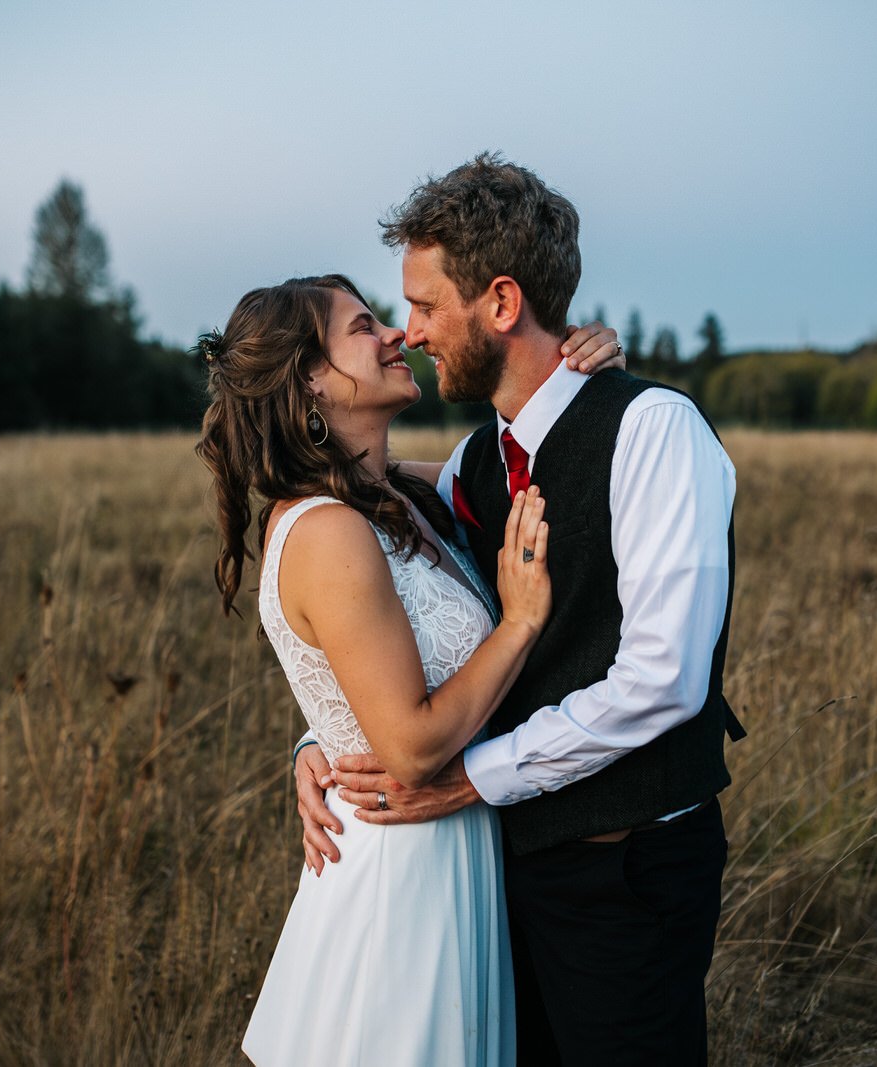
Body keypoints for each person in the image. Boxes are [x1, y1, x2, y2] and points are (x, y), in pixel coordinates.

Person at [296, 154, 744, 1065]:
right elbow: (404, 612)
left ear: (502, 304)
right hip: (502, 876)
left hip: (623, 875)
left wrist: (472, 778)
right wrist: (321, 739)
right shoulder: (473, 467)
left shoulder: (655, 430)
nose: (410, 331)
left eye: (424, 305)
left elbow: (663, 679)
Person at [195, 274, 623, 1065]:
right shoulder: (326, 531)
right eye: (364, 327)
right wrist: (521, 619)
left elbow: (532, 455)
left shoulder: (395, 492)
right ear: (313, 382)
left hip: (453, 856)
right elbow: (413, 747)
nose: (396, 334)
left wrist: (573, 368)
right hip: (400, 880)